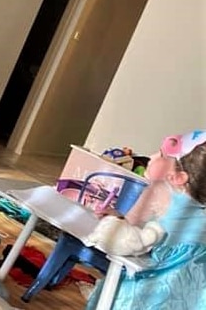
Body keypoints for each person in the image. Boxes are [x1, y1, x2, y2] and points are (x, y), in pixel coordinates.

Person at [86, 130, 206, 310]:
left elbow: (130, 231)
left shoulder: (159, 192)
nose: (152, 156)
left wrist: (113, 218)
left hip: (153, 283)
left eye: (161, 154)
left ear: (178, 178)